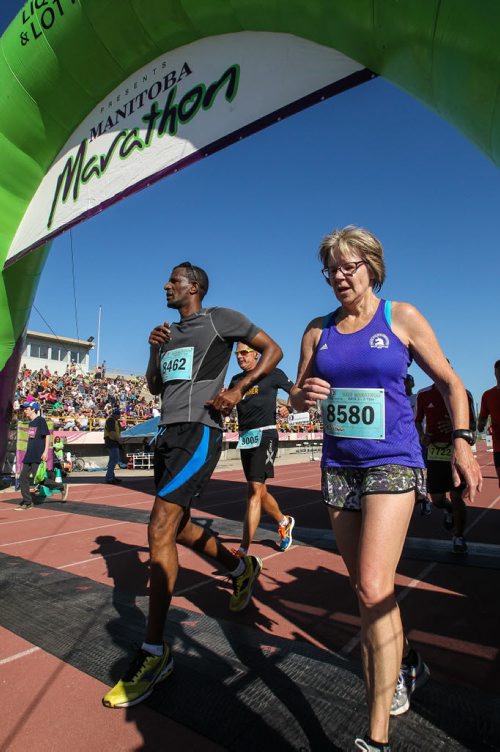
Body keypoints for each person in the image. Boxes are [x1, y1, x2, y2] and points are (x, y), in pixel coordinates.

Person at [290, 226, 482, 752]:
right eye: (331, 268)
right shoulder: (316, 330)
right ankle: (410, 660)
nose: (339, 276)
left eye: (349, 266)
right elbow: (297, 400)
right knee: (367, 590)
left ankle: (377, 734)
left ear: (372, 267)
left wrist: (462, 442)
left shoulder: (401, 316)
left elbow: (451, 382)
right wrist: (303, 395)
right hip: (339, 468)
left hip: (393, 462)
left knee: (375, 588)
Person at [102, 261, 282, 709]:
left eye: (174, 280)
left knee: (158, 529)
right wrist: (152, 350)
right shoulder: (166, 334)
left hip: (200, 432)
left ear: (194, 287)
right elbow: (154, 387)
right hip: (167, 433)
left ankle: (154, 652)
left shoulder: (221, 319)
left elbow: (272, 350)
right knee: (177, 528)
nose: (166, 285)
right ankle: (242, 569)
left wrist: (239, 390)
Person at [228, 343, 295, 556]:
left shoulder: (273, 373)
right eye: (237, 353)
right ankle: (284, 521)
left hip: (266, 434)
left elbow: (296, 392)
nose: (240, 357)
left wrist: (290, 406)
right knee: (259, 489)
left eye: (245, 352)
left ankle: (243, 549)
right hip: (245, 437)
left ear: (256, 354)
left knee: (253, 491)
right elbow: (229, 407)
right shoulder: (236, 381)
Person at [415, 377, 476, 553]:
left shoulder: (464, 393)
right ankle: (447, 510)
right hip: (434, 452)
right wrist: (422, 436)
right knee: (437, 499)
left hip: (456, 453)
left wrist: (455, 427)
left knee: (457, 496)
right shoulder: (424, 395)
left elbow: (472, 424)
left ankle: (459, 535)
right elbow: (417, 421)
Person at [16, 402, 68, 509]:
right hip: (29, 454)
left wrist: (45, 452)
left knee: (39, 479)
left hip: (37, 454)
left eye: (27, 408)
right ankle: (27, 502)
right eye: (24, 409)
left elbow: (47, 436)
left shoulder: (40, 420)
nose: (25, 410)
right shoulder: (30, 423)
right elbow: (32, 439)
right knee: (22, 478)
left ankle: (61, 487)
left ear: (33, 409)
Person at [478, 359, 500, 487]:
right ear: (495, 373)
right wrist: (481, 425)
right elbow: (482, 417)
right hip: (498, 445)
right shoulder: (488, 395)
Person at [104, 407, 122, 484]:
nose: (120, 416)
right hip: (112, 442)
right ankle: (109, 477)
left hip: (112, 442)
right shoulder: (111, 420)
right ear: (116, 415)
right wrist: (119, 440)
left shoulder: (114, 420)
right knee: (114, 460)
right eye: (119, 415)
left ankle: (112, 476)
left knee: (113, 460)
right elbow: (112, 432)